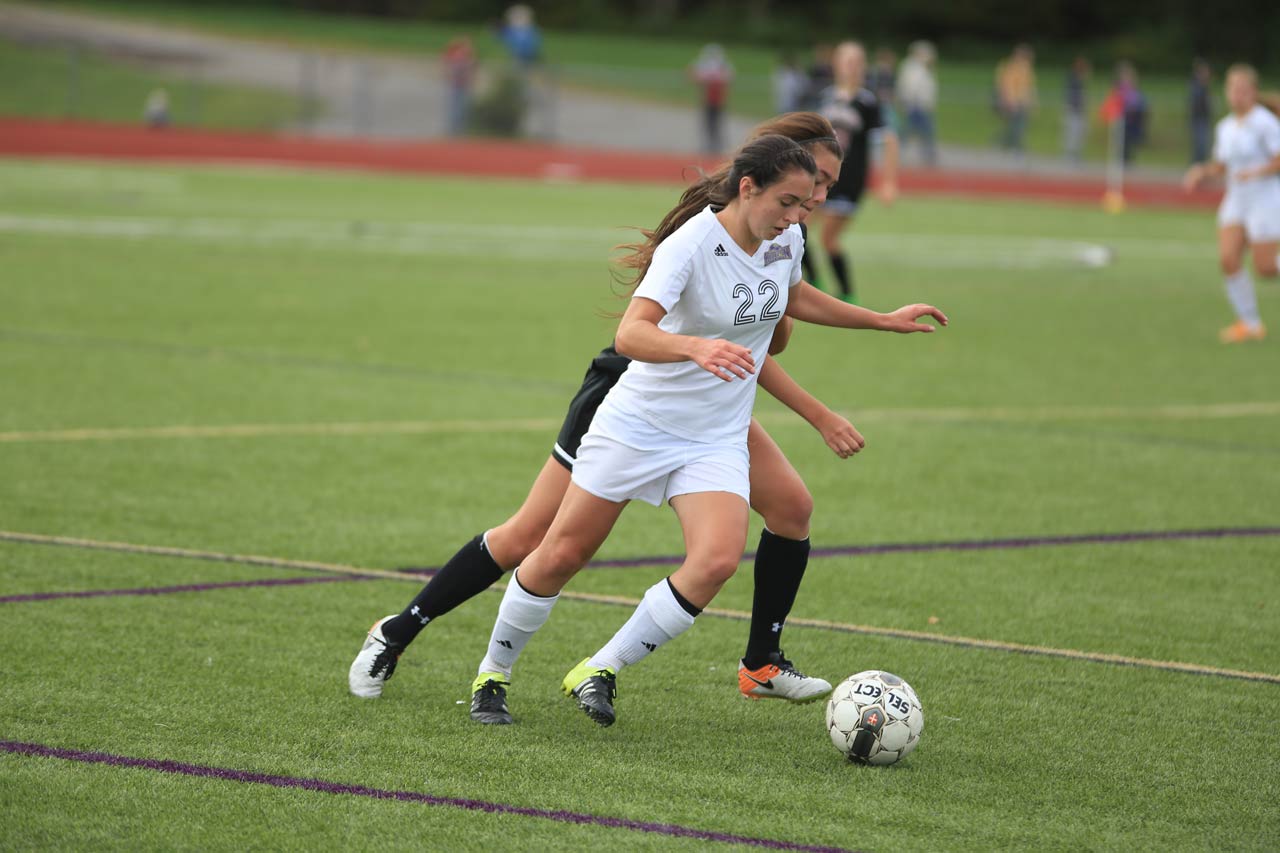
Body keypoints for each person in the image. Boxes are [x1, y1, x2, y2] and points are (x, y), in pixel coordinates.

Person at [350, 113, 855, 710]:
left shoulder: (779, 237)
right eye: (815, 183)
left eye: (824, 187)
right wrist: (802, 390)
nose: (821, 199)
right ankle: (397, 631)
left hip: (709, 400)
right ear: (763, 179)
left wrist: (805, 336)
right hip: (635, 388)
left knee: (790, 506)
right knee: (531, 538)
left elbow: (754, 344)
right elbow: (674, 339)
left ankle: (760, 664)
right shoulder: (706, 238)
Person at [464, 134, 947, 727]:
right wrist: (693, 347)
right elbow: (631, 336)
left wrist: (881, 320)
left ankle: (600, 669)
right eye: (787, 202)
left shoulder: (784, 239)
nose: (798, 217)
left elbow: (797, 298)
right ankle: (492, 675)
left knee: (717, 559)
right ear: (748, 189)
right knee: (560, 554)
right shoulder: (691, 244)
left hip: (714, 436)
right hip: (638, 424)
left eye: (807, 205)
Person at [1183, 63, 1280, 343]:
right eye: (1232, 90)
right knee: (1228, 259)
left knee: (1265, 268)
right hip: (1236, 199)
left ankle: (1250, 323)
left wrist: (1257, 172)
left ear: (1253, 92)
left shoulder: (1265, 122)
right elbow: (1223, 165)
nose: (1237, 95)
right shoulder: (1224, 127)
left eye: (1242, 90)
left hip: (1265, 198)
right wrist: (1202, 172)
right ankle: (1250, 324)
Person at [812, 40, 899, 304]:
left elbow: (890, 140)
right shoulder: (826, 97)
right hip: (818, 178)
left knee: (828, 239)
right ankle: (811, 285)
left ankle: (847, 293)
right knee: (795, 231)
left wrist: (888, 182)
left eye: (855, 61)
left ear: (863, 67)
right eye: (844, 60)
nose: (849, 66)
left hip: (849, 180)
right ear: (836, 64)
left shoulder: (868, 102)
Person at [897, 41, 938, 166]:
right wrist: (907, 101)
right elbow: (910, 87)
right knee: (918, 130)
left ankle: (928, 155)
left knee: (921, 131)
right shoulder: (911, 67)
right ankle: (897, 153)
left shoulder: (924, 68)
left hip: (923, 105)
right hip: (915, 105)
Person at [690, 44, 734, 153]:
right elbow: (693, 75)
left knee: (717, 124)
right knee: (708, 124)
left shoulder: (723, 66)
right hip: (708, 100)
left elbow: (728, 79)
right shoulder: (705, 66)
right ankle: (709, 145)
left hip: (718, 101)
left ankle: (717, 145)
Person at [994, 44, 1036, 156]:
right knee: (1015, 125)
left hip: (1022, 101)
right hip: (1013, 101)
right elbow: (1006, 85)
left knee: (1019, 125)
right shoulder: (1010, 67)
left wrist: (1031, 100)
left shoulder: (1026, 68)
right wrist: (1008, 100)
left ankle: (1010, 145)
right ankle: (1013, 146)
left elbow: (1028, 86)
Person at [441, 36, 477, 136]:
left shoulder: (468, 57)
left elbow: (471, 71)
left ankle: (460, 129)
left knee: (463, 108)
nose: (469, 48)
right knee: (456, 108)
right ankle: (454, 129)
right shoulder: (458, 56)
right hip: (456, 86)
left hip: (464, 86)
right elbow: (449, 67)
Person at [1063, 56, 1090, 163]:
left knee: (1079, 133)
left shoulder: (1079, 80)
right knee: (1071, 133)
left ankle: (1076, 154)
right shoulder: (1073, 79)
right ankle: (1070, 155)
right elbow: (1070, 96)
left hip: (1079, 110)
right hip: (1073, 109)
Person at [865, 48, 899, 133]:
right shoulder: (875, 73)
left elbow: (893, 88)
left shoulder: (890, 73)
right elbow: (872, 87)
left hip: (888, 102)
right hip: (879, 102)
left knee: (892, 123)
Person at [1190, 59, 1214, 164]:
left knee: (1202, 144)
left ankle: (1200, 164)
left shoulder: (1204, 87)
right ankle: (1197, 164)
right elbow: (1196, 104)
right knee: (1200, 144)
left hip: (1203, 118)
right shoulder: (1197, 87)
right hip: (1199, 118)